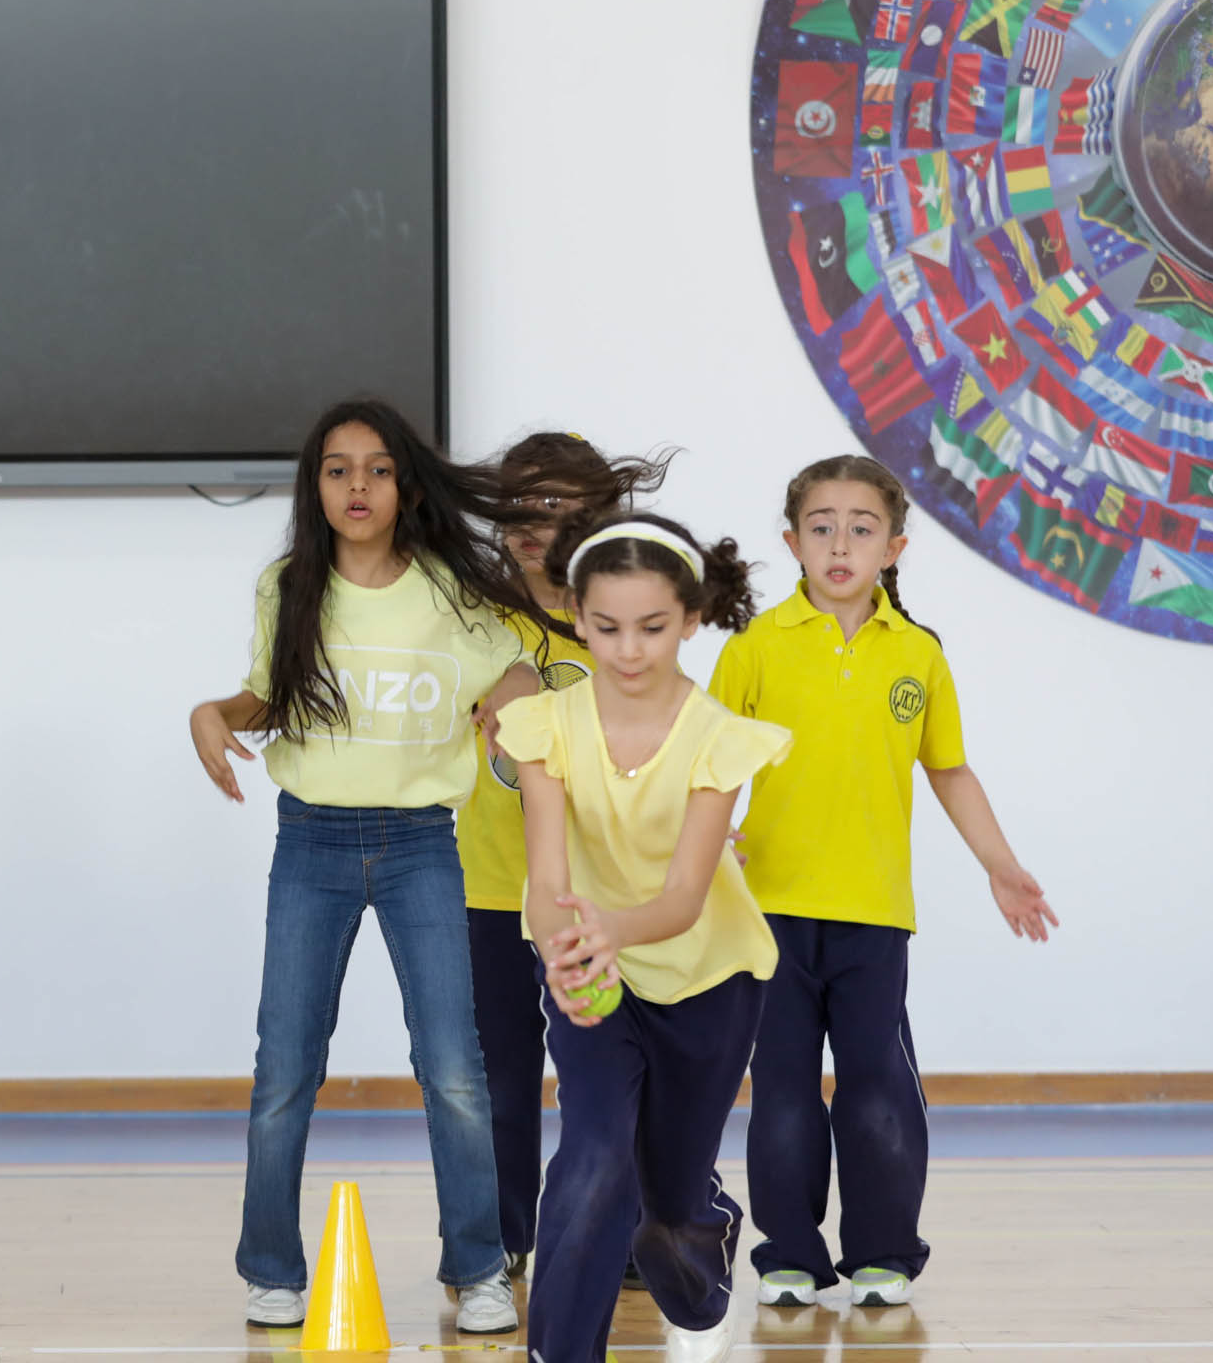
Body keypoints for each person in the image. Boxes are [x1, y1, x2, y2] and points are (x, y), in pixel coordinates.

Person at [187, 398, 570, 1335]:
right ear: (315, 487)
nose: (357, 486)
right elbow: (269, 695)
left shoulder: (451, 590)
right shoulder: (289, 585)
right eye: (338, 469)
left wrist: (513, 697)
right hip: (310, 844)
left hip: (420, 847)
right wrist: (212, 714)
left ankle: (478, 1267)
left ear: (407, 487)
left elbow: (518, 666)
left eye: (378, 469)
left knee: (454, 1067)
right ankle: (271, 1269)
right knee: (285, 1065)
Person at [711, 456, 1057, 1309]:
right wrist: (705, 853)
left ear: (893, 547)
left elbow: (949, 770)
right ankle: (788, 1255)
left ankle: (884, 1253)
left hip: (873, 915)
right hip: (769, 915)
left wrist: (1001, 864)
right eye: (821, 527)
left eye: (861, 529)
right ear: (792, 541)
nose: (840, 545)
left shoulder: (918, 654)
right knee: (783, 1090)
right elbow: (707, 768)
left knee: (877, 1088)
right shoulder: (754, 648)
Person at [498, 511, 785, 1363]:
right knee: (593, 1157)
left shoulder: (718, 738)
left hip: (709, 976)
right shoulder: (545, 726)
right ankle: (559, 1352)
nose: (629, 650)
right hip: (592, 968)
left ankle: (703, 1243)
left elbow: (686, 897)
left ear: (691, 619)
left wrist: (606, 930)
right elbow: (547, 874)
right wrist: (565, 950)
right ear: (577, 616)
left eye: (653, 628)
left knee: (668, 1200)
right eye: (608, 626)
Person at [453, 432, 670, 1274]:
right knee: (496, 1079)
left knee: (611, 1081)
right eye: (518, 505)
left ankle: (625, 1235)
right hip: (488, 889)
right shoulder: (472, 621)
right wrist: (507, 677)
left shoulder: (618, 625)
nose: (531, 522)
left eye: (554, 504)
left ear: (596, 514)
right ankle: (500, 1241)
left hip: (597, 899)